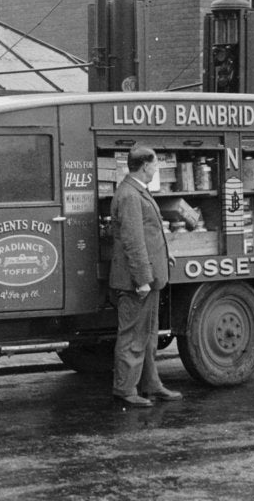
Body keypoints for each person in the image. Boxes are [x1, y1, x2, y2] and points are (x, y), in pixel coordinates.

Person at [109, 145, 183, 407]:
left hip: (149, 274)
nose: (156, 169)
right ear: (144, 166)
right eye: (154, 164)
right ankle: (125, 389)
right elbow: (132, 240)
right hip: (137, 280)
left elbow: (147, 233)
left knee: (149, 335)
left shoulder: (135, 190)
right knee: (133, 336)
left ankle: (151, 384)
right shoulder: (130, 194)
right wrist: (141, 279)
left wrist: (163, 255)